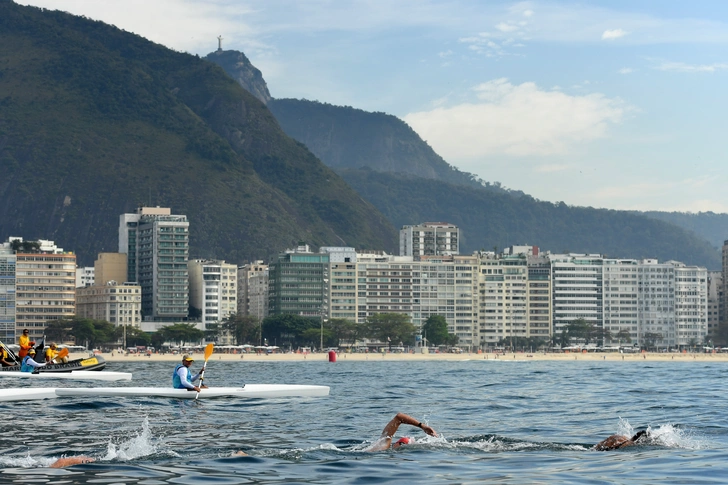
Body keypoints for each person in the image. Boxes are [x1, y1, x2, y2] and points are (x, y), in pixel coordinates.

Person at [365, 412, 437, 451]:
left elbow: (399, 417)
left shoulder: (382, 443)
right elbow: (399, 417)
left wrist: (422, 426)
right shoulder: (383, 445)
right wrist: (422, 426)